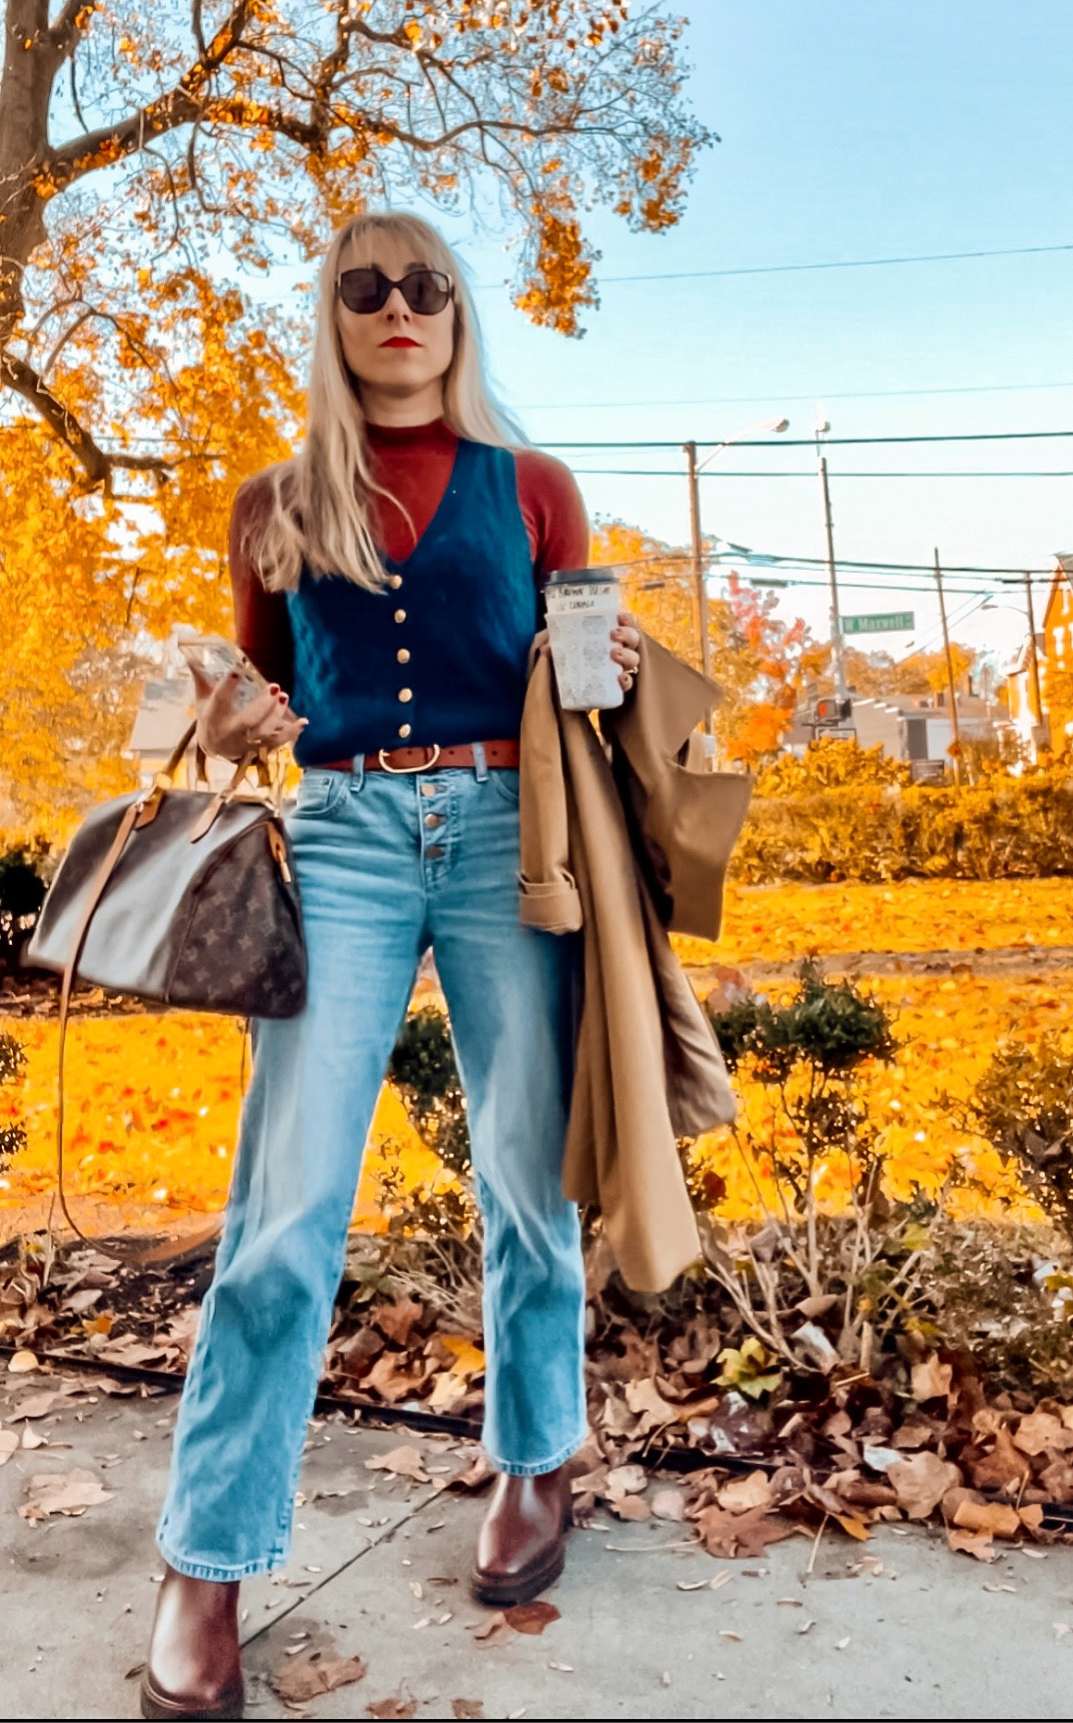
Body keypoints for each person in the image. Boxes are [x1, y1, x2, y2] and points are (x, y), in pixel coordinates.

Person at [141, 210, 641, 1722]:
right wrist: (235, 717)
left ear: (458, 312)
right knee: (284, 1209)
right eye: (365, 287)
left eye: (426, 284)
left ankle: (532, 1456)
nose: (397, 308)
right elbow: (264, 701)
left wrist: (607, 667)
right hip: (346, 836)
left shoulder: (532, 488)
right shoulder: (275, 504)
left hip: (514, 838)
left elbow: (592, 678)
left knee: (523, 1176)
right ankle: (206, 1559)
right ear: (334, 317)